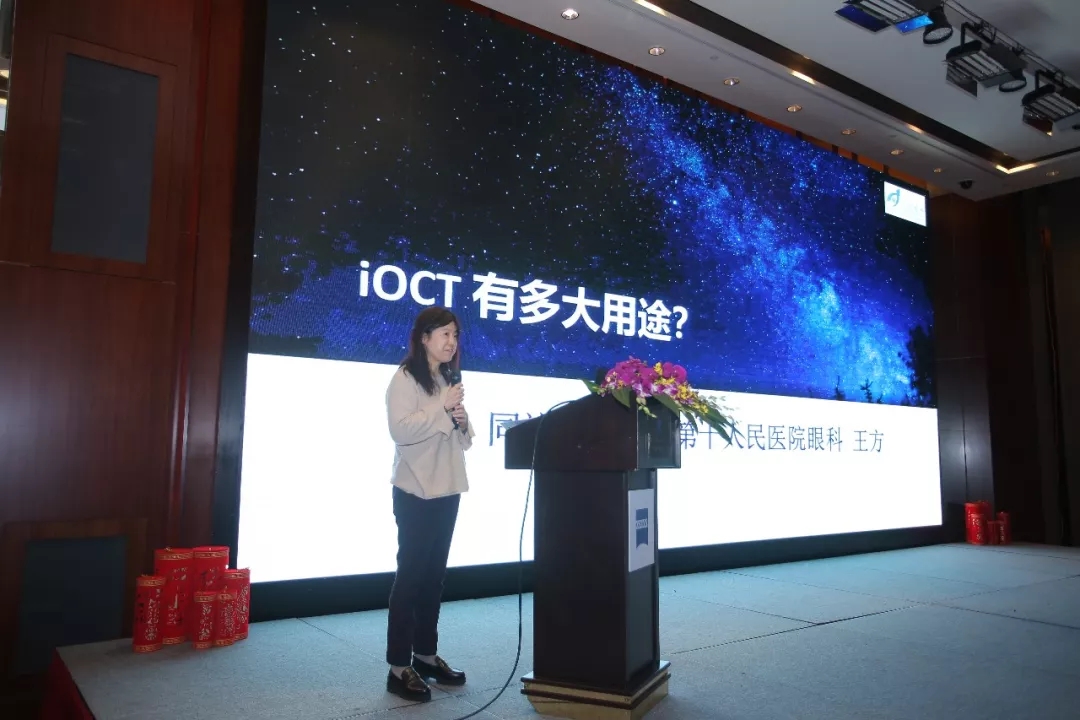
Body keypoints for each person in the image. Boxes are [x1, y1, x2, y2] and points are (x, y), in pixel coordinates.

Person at [384, 306, 474, 702]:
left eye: (455, 335)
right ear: (424, 338)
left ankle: (424, 655)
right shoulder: (405, 378)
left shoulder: (448, 379)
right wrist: (442, 407)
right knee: (411, 577)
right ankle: (397, 666)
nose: (451, 342)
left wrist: (461, 419)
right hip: (415, 491)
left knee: (434, 577)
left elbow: (463, 438)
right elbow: (400, 431)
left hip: (447, 488)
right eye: (444, 334)